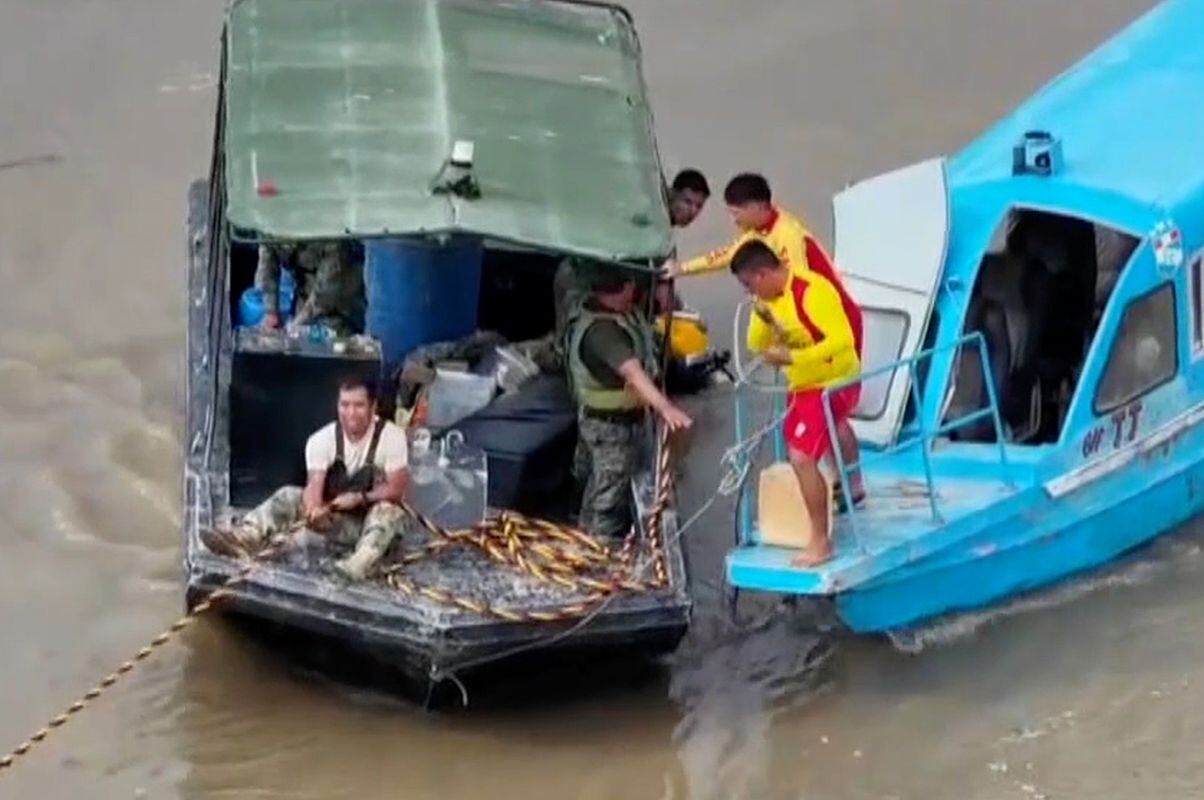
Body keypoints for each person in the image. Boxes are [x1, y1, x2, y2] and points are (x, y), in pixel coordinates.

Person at [664, 172, 865, 493]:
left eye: (736, 213)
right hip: (805, 321)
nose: (733, 220)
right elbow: (727, 255)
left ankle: (847, 481)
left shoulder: (788, 236)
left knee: (830, 409)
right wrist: (682, 268)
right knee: (821, 411)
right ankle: (837, 477)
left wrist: (791, 347)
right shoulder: (757, 232)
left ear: (758, 206)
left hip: (829, 318)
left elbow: (795, 288)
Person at [202, 376, 409, 581]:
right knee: (289, 495)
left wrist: (360, 498)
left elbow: (396, 489)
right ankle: (245, 536)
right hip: (340, 524)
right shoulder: (322, 440)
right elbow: (314, 485)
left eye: (359, 405)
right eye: (345, 405)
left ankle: (358, 565)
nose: (351, 413)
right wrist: (315, 509)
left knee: (388, 510)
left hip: (377, 531)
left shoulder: (392, 437)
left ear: (373, 408)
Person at [732, 240, 861, 567]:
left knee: (802, 457)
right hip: (803, 382)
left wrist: (795, 356)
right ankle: (854, 486)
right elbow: (754, 345)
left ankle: (820, 541)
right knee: (831, 430)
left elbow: (842, 339)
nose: (750, 292)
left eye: (749, 285)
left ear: (762, 274)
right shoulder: (769, 300)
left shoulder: (812, 290)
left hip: (832, 379)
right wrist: (762, 317)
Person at [566, 265, 693, 538]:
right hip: (609, 428)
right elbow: (633, 373)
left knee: (596, 485)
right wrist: (665, 408)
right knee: (608, 498)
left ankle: (585, 536)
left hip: (611, 421)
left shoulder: (617, 311)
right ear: (623, 288)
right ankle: (600, 551)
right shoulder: (603, 334)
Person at [255, 239, 366, 337]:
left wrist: (294, 326)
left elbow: (324, 295)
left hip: (341, 305)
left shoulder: (333, 240)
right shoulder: (271, 227)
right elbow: (267, 268)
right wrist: (271, 311)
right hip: (305, 295)